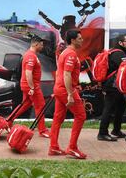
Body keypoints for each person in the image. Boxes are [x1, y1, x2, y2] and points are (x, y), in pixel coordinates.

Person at [49, 30, 87, 159]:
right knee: (81, 115)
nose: (82, 40)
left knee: (58, 118)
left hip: (60, 89)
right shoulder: (70, 54)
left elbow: (61, 73)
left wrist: (59, 91)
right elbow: (66, 74)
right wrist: (70, 94)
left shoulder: (65, 52)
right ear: (73, 40)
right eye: (80, 38)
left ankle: (53, 147)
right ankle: (72, 148)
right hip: (66, 89)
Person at [6, 36, 50, 138]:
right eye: (41, 44)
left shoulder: (31, 55)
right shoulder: (30, 56)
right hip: (31, 86)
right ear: (36, 44)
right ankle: (42, 130)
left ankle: (8, 121)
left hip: (28, 85)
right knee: (40, 105)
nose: (42, 47)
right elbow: (28, 73)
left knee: (25, 104)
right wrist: (32, 88)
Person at [97, 35, 126, 142]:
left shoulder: (116, 52)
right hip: (112, 86)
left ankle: (116, 130)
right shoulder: (118, 53)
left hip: (115, 86)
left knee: (121, 105)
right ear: (121, 43)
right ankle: (102, 133)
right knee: (109, 108)